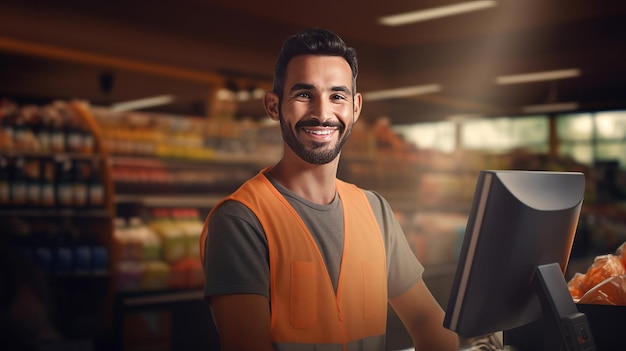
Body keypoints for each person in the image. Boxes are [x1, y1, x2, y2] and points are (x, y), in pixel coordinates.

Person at [199, 27, 460, 351]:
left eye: (337, 96)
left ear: (355, 107)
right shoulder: (241, 220)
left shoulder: (374, 210)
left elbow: (427, 321)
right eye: (304, 94)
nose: (322, 114)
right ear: (273, 105)